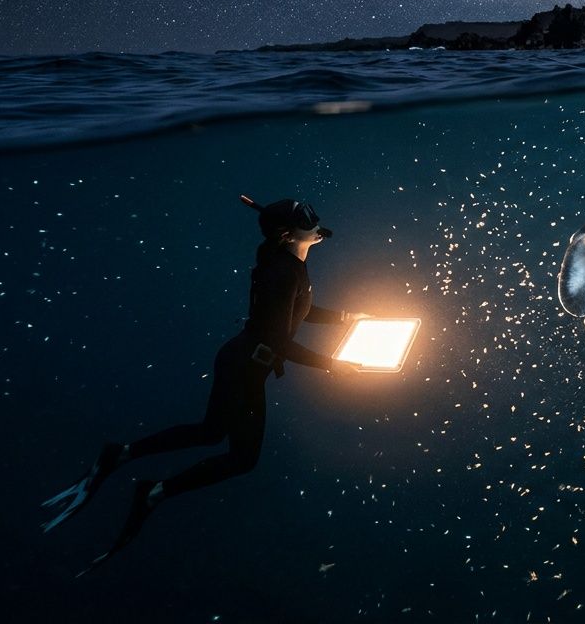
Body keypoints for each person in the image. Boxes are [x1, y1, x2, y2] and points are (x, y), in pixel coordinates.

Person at [42, 195, 365, 574]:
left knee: (211, 432)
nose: (315, 223)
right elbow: (279, 340)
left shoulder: (288, 264)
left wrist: (346, 316)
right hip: (245, 366)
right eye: (306, 220)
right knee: (241, 457)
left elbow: (299, 310)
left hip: (242, 361)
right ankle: (150, 490)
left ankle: (123, 458)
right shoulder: (282, 271)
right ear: (288, 234)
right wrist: (331, 365)